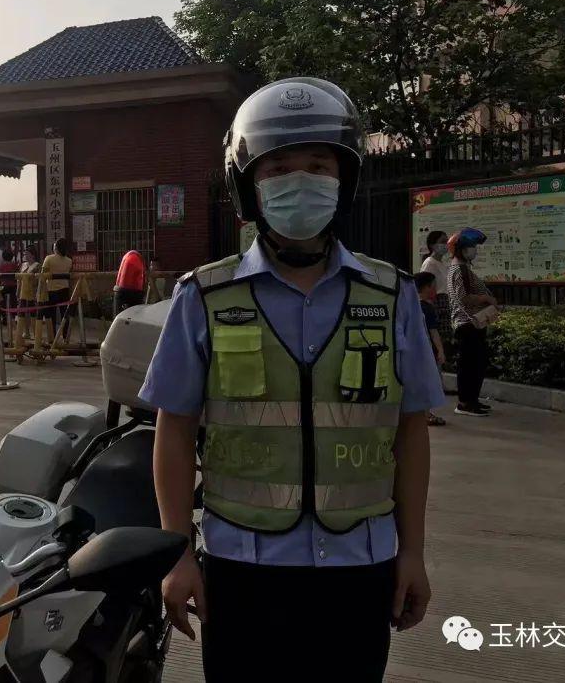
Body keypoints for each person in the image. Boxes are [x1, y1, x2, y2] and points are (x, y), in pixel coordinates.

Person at [143, 78, 439, 681]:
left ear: (344, 180)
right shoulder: (203, 298)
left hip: (361, 565)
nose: (300, 181)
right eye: (278, 168)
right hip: (241, 568)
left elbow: (411, 432)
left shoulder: (391, 295)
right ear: (248, 186)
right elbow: (173, 432)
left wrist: (412, 552)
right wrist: (177, 554)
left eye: (318, 166)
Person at [447, 228, 498, 417]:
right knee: (470, 365)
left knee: (475, 364)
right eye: (471, 247)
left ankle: (472, 400)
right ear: (461, 250)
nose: (474, 250)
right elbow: (464, 298)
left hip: (471, 323)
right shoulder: (459, 270)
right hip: (468, 323)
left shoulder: (461, 268)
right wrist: (487, 298)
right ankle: (465, 403)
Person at [415, 271, 447, 426]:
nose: (435, 289)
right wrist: (441, 351)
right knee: (430, 383)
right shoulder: (427, 308)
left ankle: (423, 413)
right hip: (428, 352)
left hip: (417, 351)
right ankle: (426, 414)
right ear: (426, 287)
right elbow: (434, 332)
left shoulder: (412, 305)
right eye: (433, 285)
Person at [419, 231, 452, 359]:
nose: (445, 244)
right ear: (432, 245)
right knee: (437, 342)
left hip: (444, 304)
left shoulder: (442, 264)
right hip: (436, 304)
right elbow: (425, 288)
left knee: (445, 341)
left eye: (446, 241)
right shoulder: (429, 263)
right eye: (442, 241)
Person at [41, 238, 73, 339]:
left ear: (56, 248)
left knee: (51, 315)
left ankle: (52, 336)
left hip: (51, 289)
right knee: (65, 314)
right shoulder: (69, 261)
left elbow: (43, 274)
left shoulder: (49, 258)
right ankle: (65, 336)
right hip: (64, 289)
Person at [113, 250, 145, 317]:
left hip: (120, 290)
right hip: (132, 292)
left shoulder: (128, 257)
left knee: (119, 317)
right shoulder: (135, 259)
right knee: (134, 317)